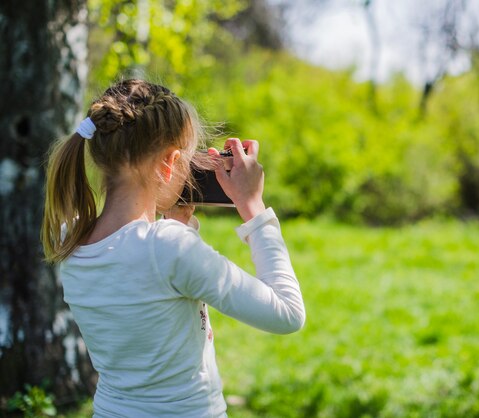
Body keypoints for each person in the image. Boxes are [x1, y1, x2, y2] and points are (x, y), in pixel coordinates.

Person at [41, 79, 305, 417]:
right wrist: (253, 206)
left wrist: (177, 225)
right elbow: (287, 314)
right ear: (168, 164)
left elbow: (147, 306)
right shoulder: (166, 248)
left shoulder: (73, 237)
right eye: (186, 161)